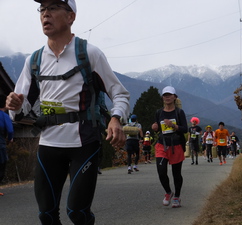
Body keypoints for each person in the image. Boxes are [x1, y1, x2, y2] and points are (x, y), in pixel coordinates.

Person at [6, 1, 130, 224]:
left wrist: (115, 118)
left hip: (84, 144)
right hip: (48, 144)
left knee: (78, 213)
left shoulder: (89, 54)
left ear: (71, 17)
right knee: (46, 214)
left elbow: (119, 93)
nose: (46, 14)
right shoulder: (33, 60)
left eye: (53, 8)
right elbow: (21, 108)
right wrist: (14, 106)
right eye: (42, 9)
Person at [152, 86, 188, 208]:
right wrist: (155, 128)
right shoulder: (159, 112)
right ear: (162, 97)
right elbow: (158, 128)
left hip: (176, 145)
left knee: (176, 173)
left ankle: (177, 196)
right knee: (161, 171)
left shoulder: (179, 112)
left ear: (174, 97)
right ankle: (168, 192)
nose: (167, 97)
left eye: (169, 95)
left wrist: (174, 125)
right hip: (162, 145)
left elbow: (185, 129)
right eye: (165, 95)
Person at [0, 95, 14, 188]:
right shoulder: (4, 116)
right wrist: (10, 138)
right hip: (0, 144)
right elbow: (10, 130)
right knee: (1, 165)